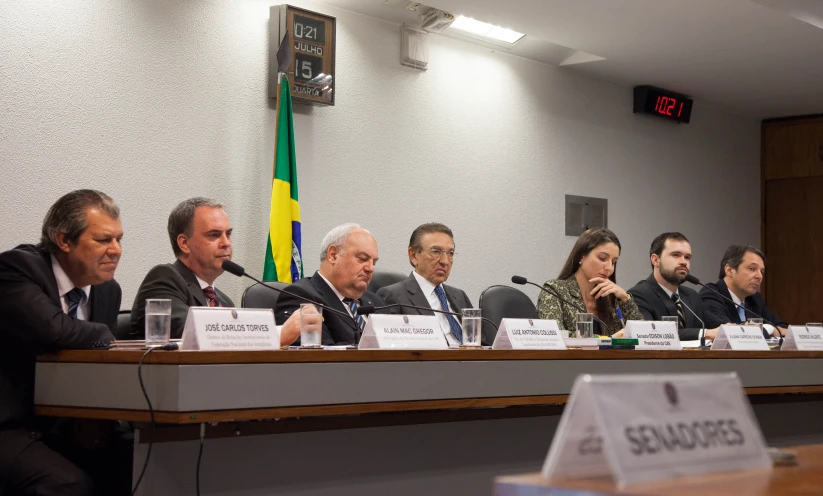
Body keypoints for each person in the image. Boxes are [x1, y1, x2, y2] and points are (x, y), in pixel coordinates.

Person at [0, 190, 127, 495]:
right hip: (11, 424)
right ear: (63, 240)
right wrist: (105, 335)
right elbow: (54, 331)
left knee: (143, 460)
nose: (116, 250)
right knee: (68, 484)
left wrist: (94, 417)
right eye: (103, 240)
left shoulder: (107, 291)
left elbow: (95, 366)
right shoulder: (16, 269)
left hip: (64, 421)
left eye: (119, 239)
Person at [131, 198, 317, 345]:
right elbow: (192, 331)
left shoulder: (223, 300)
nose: (226, 242)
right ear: (184, 243)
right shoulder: (164, 278)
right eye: (214, 235)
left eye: (228, 234)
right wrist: (277, 334)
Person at [275, 223, 390, 345]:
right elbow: (319, 356)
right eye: (362, 259)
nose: (370, 268)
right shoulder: (301, 297)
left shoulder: (376, 302)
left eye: (374, 262)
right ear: (333, 255)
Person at [376, 223, 474, 347]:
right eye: (436, 251)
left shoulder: (459, 296)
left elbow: (481, 342)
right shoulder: (393, 296)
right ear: (413, 255)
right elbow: (392, 348)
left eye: (450, 253)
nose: (444, 261)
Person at [537, 228, 642, 336]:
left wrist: (625, 298)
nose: (609, 268)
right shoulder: (554, 291)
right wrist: (607, 341)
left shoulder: (612, 298)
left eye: (614, 262)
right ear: (582, 256)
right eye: (602, 258)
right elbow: (555, 336)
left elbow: (644, 337)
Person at [628, 232, 726, 341]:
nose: (684, 262)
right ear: (655, 260)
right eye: (676, 255)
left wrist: (739, 328)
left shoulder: (691, 296)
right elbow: (650, 334)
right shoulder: (638, 294)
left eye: (687, 257)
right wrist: (705, 333)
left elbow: (717, 327)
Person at [700, 245, 787, 338]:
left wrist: (771, 328)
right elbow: (729, 333)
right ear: (729, 270)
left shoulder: (754, 298)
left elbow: (785, 329)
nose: (760, 276)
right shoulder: (710, 294)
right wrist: (770, 329)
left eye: (762, 271)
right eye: (752, 269)